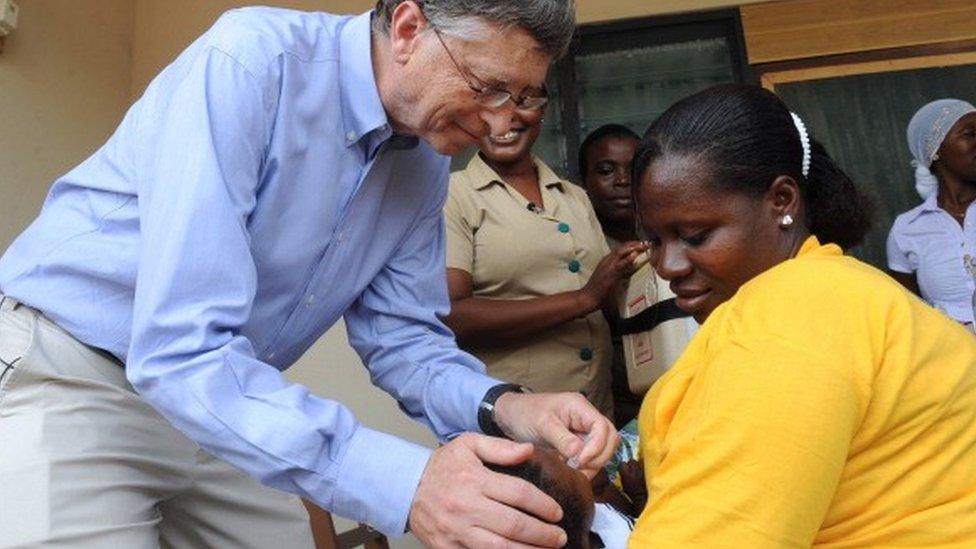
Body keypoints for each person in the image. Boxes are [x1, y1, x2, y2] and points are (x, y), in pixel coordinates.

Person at [0, 2, 621, 548]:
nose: (500, 122)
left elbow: (406, 343)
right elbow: (180, 349)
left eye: (523, 96)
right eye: (487, 87)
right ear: (408, 28)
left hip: (221, 394)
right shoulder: (250, 63)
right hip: (75, 375)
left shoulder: (423, 166)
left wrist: (505, 406)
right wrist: (412, 484)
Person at [628, 84, 976, 546]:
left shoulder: (789, 313)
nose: (667, 266)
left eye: (693, 234)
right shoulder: (839, 289)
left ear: (782, 201)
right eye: (653, 240)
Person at [443, 91, 645, 419]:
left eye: (523, 102)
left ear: (542, 110)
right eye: (489, 103)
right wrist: (583, 299)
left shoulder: (575, 197)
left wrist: (633, 271)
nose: (504, 117)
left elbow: (604, 300)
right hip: (516, 424)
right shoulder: (454, 196)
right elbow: (452, 316)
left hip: (596, 414)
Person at [578, 124, 695, 426]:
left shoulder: (681, 232)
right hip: (615, 397)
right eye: (606, 171)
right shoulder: (578, 249)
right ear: (583, 182)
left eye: (633, 171)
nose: (621, 181)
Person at [887, 99, 976, 327]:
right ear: (934, 151)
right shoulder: (907, 229)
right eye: (969, 134)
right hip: (951, 357)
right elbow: (910, 317)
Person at [488, 446, 635, 549]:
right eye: (564, 464)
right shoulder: (630, 542)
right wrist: (641, 495)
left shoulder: (587, 514)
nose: (556, 452)